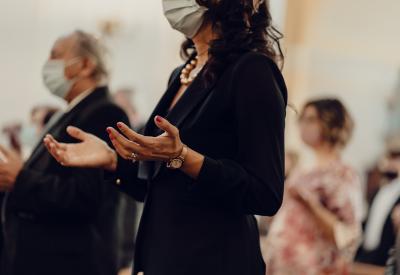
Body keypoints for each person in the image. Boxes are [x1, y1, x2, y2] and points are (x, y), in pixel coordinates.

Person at [43, 0, 288, 274]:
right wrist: (113, 162)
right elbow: (162, 187)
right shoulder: (183, 73)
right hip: (165, 256)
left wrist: (184, 157)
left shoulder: (252, 70)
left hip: (213, 260)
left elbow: (265, 193)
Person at [0, 30, 130, 275]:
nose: (48, 63)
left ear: (85, 65)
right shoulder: (71, 112)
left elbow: (85, 197)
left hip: (71, 262)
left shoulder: (104, 113)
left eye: (55, 55)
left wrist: (20, 178)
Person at [264, 99, 363, 275]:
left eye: (310, 119)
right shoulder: (303, 170)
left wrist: (310, 204)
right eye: (302, 118)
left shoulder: (342, 174)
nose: (301, 125)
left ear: (331, 124)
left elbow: (347, 235)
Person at [356, 136, 400, 267]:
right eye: (390, 158)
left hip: (387, 259)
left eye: (396, 158)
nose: (392, 163)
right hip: (367, 254)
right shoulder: (379, 191)